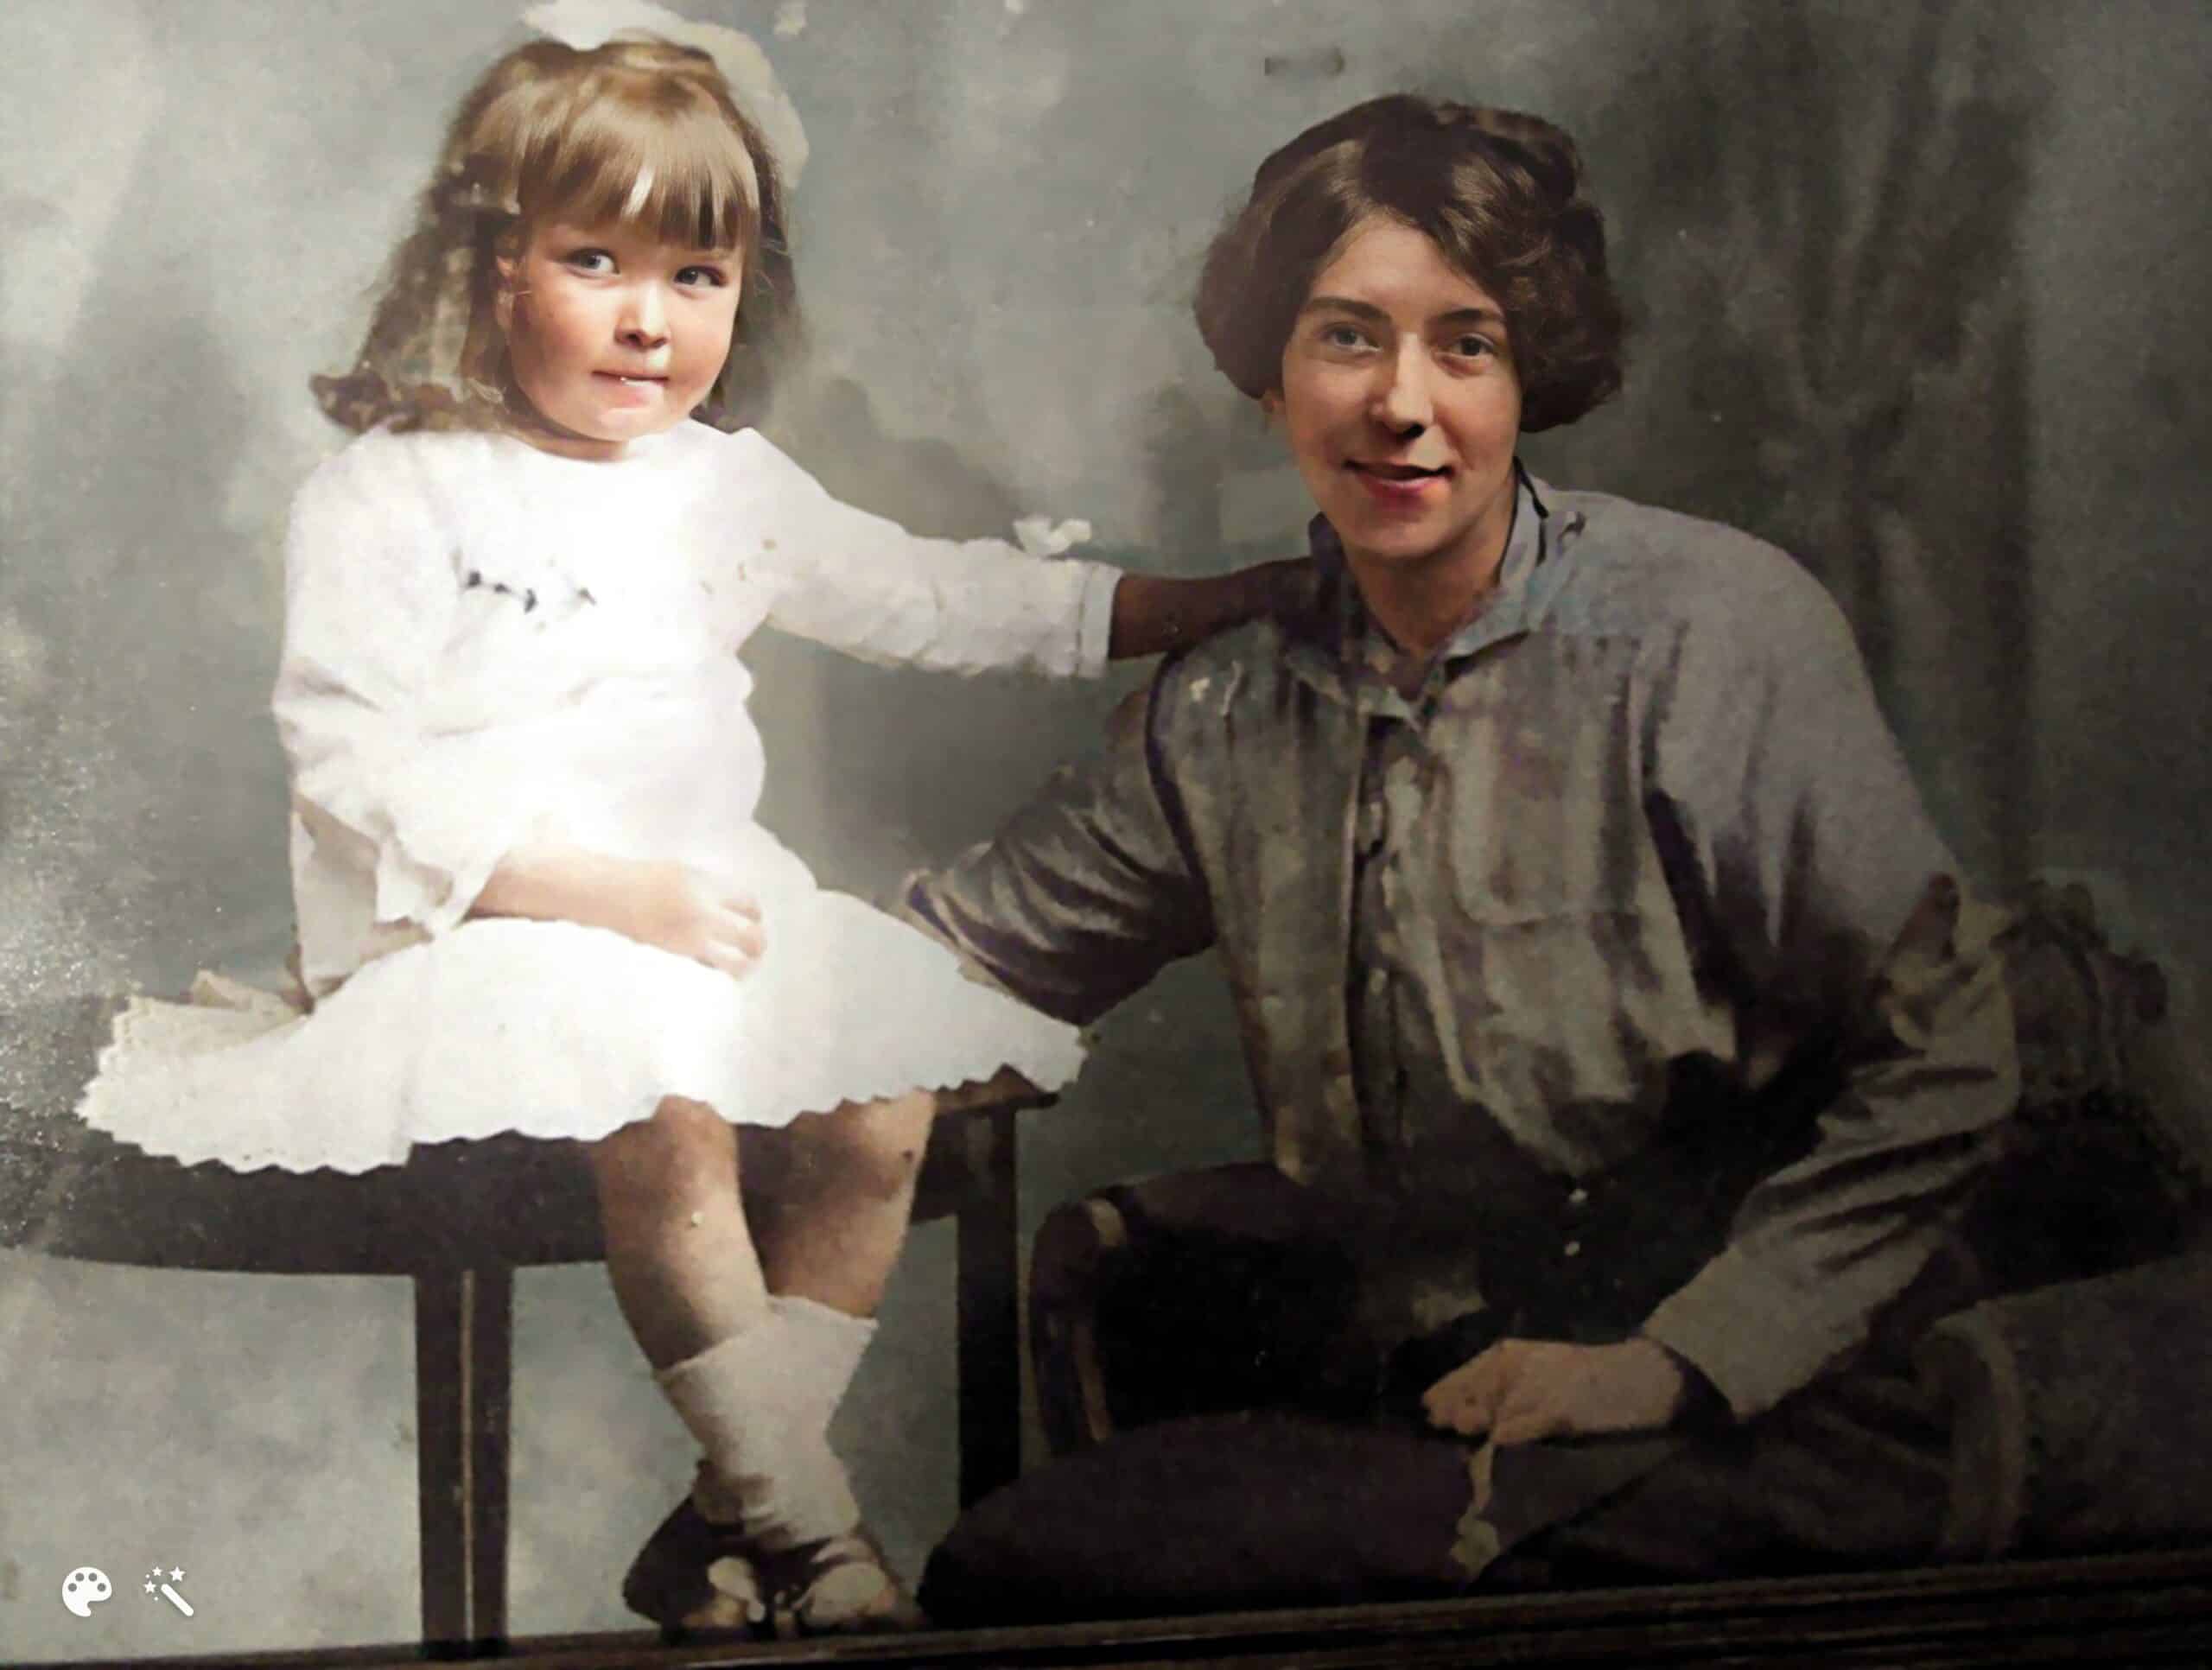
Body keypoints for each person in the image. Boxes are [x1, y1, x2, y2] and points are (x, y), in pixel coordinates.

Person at [70, 13, 1298, 1641]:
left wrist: (1203, 602)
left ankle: (721, 1509)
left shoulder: (723, 485)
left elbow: (935, 597)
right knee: (664, 1093)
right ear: (491, 267)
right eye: (598, 261)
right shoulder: (394, 489)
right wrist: (577, 883)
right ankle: (811, 1527)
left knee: (881, 1094)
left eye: (697, 278)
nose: (651, 320)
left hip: (697, 915)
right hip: (475, 924)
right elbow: (345, 751)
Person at [906, 94, 2022, 1622]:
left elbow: (1950, 1051)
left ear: (1530, 373)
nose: (1402, 405)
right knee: (1023, 1570)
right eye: (1349, 339)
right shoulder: (1232, 700)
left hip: (1776, 1386)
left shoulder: (1707, 632)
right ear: (1272, 379)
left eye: (1466, 345)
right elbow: (963, 952)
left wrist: (1676, 1360)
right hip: (1445, 1391)